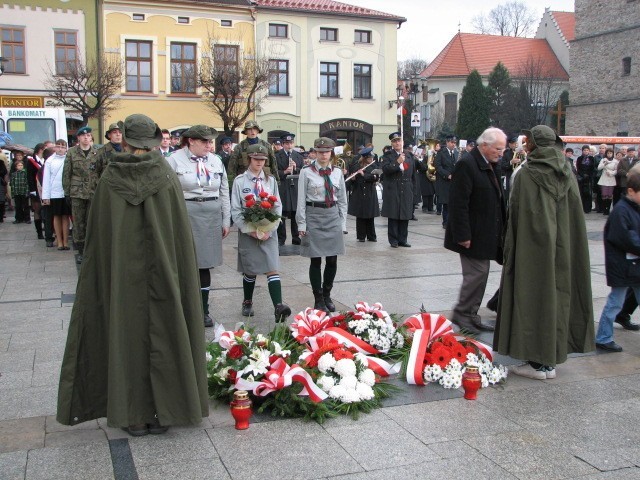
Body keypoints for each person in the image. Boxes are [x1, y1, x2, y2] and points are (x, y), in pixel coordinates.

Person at [57, 113, 208, 436]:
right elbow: (177, 235)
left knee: (124, 332)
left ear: (124, 139)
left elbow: (100, 236)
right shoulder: (165, 176)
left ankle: (132, 414)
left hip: (121, 276)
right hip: (164, 273)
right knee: (166, 330)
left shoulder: (111, 178)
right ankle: (164, 412)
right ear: (152, 141)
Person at [495, 125, 595, 380]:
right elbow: (574, 215)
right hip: (563, 248)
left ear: (534, 145)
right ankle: (548, 360)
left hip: (532, 248)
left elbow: (516, 215)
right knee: (557, 295)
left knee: (532, 295)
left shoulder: (527, 173)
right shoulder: (567, 171)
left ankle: (536, 361)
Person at [167, 125, 230, 328]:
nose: (209, 145)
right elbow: (166, 193)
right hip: (186, 214)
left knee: (205, 263)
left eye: (211, 141)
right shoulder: (173, 160)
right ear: (191, 141)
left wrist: (225, 219)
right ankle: (184, 310)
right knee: (185, 263)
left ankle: (204, 310)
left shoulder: (216, 161)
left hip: (211, 215)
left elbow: (224, 191)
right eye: (205, 141)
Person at [445, 127, 506, 335]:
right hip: (472, 234)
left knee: (482, 275)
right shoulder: (467, 164)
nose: (501, 153)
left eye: (503, 149)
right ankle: (462, 314)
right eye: (498, 148)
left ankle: (471, 316)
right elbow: (458, 203)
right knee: (476, 275)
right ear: (484, 145)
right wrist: (462, 235)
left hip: (486, 232)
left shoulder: (491, 164)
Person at [230, 144, 291, 321]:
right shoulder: (240, 181)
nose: (259, 162)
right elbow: (236, 209)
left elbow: (277, 205)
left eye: (262, 160)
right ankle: (247, 301)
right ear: (249, 159)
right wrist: (250, 231)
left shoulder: (270, 180)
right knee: (250, 270)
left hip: (268, 232)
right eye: (256, 159)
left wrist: (270, 228)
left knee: (272, 268)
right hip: (249, 231)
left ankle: (278, 306)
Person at [296, 137, 347, 312]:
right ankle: (318, 298)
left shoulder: (337, 172)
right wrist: (301, 224)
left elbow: (342, 200)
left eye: (326, 151)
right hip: (314, 215)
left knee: (332, 259)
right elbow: (301, 200)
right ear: (315, 153)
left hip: (332, 216)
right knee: (316, 259)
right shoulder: (306, 171)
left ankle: (327, 294)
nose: (323, 155)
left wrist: (343, 223)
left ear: (331, 153)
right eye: (320, 152)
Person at [595, 171, 640, 353]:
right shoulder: (621, 210)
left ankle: (605, 336)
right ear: (631, 191)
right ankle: (604, 337)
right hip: (622, 267)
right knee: (615, 302)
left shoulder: (633, 208)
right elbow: (627, 239)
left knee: (618, 301)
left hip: (634, 266)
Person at [63, 126, 99, 264]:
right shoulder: (72, 153)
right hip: (77, 192)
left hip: (93, 191)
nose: (86, 138)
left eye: (89, 135)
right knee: (78, 222)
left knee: (92, 220)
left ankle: (92, 249)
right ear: (78, 138)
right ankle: (80, 250)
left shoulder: (97, 152)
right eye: (83, 136)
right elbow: (67, 173)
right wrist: (67, 192)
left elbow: (101, 172)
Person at [381, 132, 415, 247]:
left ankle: (403, 239)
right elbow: (386, 170)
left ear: (402, 142)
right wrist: (397, 162)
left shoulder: (409, 155)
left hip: (406, 187)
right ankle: (394, 240)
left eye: (399, 140)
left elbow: (413, 173)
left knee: (405, 214)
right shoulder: (387, 155)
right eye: (395, 141)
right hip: (393, 187)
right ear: (392, 143)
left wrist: (413, 189)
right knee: (394, 214)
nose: (397, 143)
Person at [227, 120, 278, 186]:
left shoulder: (266, 145)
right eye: (249, 129)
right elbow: (232, 167)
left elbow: (273, 165)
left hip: (265, 180)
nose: (252, 131)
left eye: (254, 128)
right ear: (246, 131)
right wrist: (231, 184)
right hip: (245, 182)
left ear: (258, 130)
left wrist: (276, 181)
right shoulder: (239, 147)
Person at [42, 140, 71, 250]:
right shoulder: (50, 161)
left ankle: (66, 241)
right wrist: (46, 196)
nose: (60, 149)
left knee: (65, 216)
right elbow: (46, 179)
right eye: (58, 146)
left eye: (62, 147)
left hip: (66, 192)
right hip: (54, 193)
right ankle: (59, 241)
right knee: (56, 216)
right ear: (54, 148)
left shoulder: (68, 158)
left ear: (66, 148)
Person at [276, 133, 304, 246]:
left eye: (291, 143)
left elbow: (303, 171)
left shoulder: (298, 156)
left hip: (295, 188)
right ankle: (281, 238)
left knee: (295, 213)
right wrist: (284, 172)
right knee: (282, 213)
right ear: (283, 144)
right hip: (283, 187)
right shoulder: (276, 156)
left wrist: (295, 168)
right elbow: (273, 172)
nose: (289, 145)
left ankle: (296, 237)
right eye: (287, 143)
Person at [347, 147, 380, 242]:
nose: (372, 159)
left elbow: (375, 177)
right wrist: (352, 179)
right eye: (370, 158)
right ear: (365, 158)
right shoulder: (356, 166)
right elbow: (351, 182)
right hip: (359, 191)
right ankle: (361, 236)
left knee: (370, 215)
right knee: (360, 215)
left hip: (370, 191)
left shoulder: (374, 166)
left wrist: (363, 175)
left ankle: (371, 236)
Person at [434, 135, 457, 228]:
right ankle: (446, 222)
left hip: (454, 181)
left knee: (453, 203)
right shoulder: (441, 152)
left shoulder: (456, 152)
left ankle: (452, 221)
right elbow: (438, 166)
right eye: (452, 142)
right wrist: (447, 175)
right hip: (445, 181)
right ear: (447, 142)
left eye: (455, 142)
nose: (453, 144)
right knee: (446, 203)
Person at [26, 143, 47, 238]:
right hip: (35, 189)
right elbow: (29, 177)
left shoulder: (46, 160)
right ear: (40, 150)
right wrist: (32, 190)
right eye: (44, 149)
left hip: (45, 189)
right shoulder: (31, 161)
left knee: (46, 211)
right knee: (37, 210)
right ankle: (39, 233)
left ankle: (47, 230)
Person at [597, 148, 618, 215]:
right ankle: (604, 209)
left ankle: (608, 209)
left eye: (610, 153)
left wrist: (611, 173)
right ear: (606, 154)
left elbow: (616, 170)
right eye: (608, 153)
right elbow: (599, 168)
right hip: (604, 178)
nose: (609, 154)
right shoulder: (603, 160)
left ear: (612, 154)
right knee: (604, 194)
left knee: (609, 195)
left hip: (611, 178)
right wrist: (604, 164)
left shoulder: (615, 161)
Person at [576, 145, 596, 213]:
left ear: (589, 151)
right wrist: (582, 175)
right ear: (582, 151)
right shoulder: (579, 158)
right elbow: (578, 168)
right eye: (584, 150)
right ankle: (582, 208)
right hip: (581, 178)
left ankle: (588, 208)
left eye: (587, 150)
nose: (586, 151)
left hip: (589, 178)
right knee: (581, 193)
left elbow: (593, 168)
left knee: (588, 193)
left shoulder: (591, 158)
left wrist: (588, 175)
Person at [10, 158, 30, 224]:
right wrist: (12, 193)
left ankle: (27, 218)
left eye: (21, 165)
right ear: (16, 167)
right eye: (19, 165)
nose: (20, 166)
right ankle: (18, 218)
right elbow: (12, 184)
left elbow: (27, 183)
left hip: (24, 192)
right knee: (18, 206)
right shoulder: (13, 174)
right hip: (16, 192)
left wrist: (27, 192)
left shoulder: (25, 174)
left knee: (26, 206)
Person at [0, 152, 8, 223]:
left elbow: (4, 171)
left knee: (1, 200)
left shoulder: (1, 162)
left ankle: (1, 216)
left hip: (0, 183)